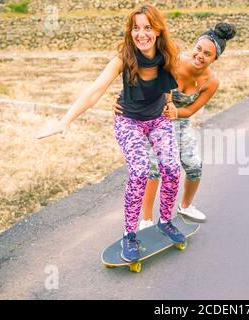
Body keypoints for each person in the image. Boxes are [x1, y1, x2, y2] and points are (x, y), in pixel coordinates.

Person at [36, 4, 186, 262]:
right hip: (129, 122)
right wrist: (65, 121)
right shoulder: (122, 59)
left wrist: (170, 102)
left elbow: (168, 85)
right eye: (136, 28)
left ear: (158, 31)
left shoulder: (169, 55)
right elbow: (94, 92)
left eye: (148, 27)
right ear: (130, 32)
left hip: (158, 120)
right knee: (140, 172)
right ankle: (130, 234)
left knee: (172, 169)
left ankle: (165, 221)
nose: (142, 34)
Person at [113, 23, 236, 229]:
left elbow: (190, 111)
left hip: (180, 123)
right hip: (154, 120)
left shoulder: (212, 82)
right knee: (155, 168)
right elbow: (142, 82)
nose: (200, 55)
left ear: (215, 58)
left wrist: (176, 112)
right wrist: (121, 100)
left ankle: (185, 206)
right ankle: (146, 219)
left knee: (194, 165)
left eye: (207, 54)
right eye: (198, 49)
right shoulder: (173, 62)